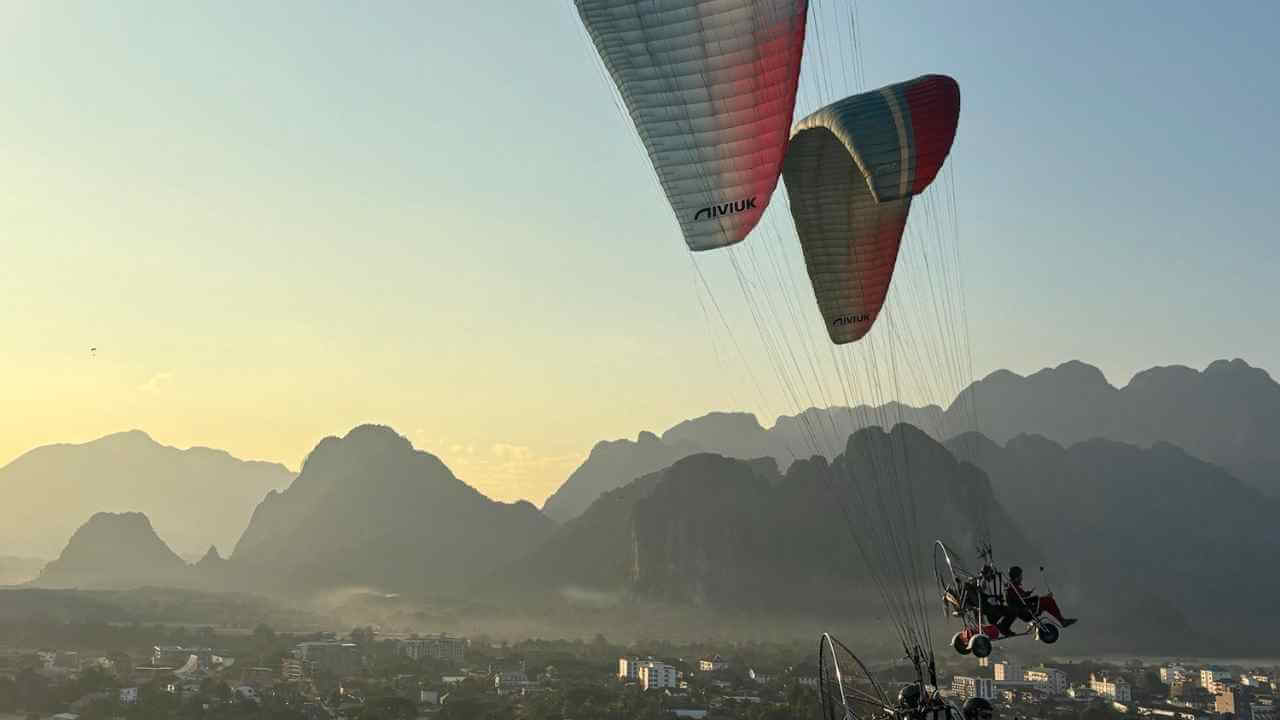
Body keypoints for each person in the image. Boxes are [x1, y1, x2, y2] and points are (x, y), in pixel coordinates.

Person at [998, 565, 1077, 635]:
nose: (1022, 577)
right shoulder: (1012, 588)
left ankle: (1061, 620)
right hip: (1026, 611)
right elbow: (1021, 600)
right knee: (1048, 600)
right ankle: (1062, 621)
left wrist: (1029, 594)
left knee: (1048, 601)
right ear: (1017, 576)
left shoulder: (1013, 587)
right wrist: (1036, 597)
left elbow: (1021, 597)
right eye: (1020, 576)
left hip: (1026, 609)